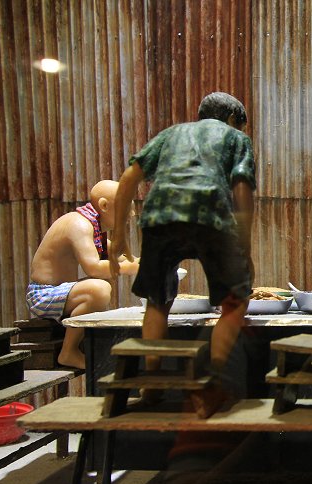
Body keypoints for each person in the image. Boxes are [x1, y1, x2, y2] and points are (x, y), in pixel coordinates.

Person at [110, 92, 256, 415]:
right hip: (211, 217)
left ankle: (151, 383)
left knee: (157, 299)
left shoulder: (170, 134)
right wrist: (244, 246)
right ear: (233, 120)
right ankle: (213, 386)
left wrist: (118, 234)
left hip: (159, 216)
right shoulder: (236, 139)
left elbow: (129, 176)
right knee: (235, 302)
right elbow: (242, 188)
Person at [27, 180, 139, 369]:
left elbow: (119, 256)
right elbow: (93, 268)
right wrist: (133, 268)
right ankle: (68, 352)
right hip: (43, 294)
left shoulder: (93, 227)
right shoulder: (79, 225)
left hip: (60, 293)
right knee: (99, 289)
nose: (132, 214)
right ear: (104, 205)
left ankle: (77, 345)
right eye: (127, 208)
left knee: (99, 289)